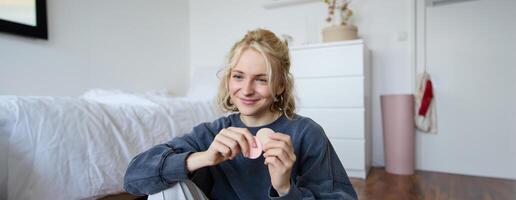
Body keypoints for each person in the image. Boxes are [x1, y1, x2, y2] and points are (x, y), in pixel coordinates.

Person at [123, 28, 358, 200]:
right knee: (168, 183)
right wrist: (205, 157)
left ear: (280, 86)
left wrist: (285, 189)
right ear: (228, 80)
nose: (246, 90)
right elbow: (133, 179)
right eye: (238, 76)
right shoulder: (213, 133)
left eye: (261, 79)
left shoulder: (307, 133)